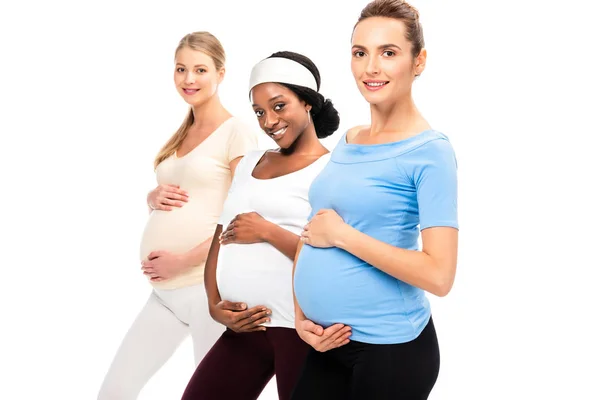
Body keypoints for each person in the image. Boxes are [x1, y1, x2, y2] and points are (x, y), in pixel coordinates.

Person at [291, 1, 459, 399]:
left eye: (389, 52)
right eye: (360, 52)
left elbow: (440, 275)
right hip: (326, 342)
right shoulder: (349, 139)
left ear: (418, 62)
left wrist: (343, 236)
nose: (371, 68)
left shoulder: (430, 152)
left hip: (391, 350)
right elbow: (313, 230)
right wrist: (301, 319)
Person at [97, 31, 258, 400]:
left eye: (200, 69)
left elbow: (245, 215)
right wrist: (151, 197)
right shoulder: (182, 132)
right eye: (181, 69)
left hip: (206, 291)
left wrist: (183, 259)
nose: (189, 79)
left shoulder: (237, 132)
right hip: (165, 294)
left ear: (220, 73)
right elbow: (187, 194)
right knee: (116, 390)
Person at [180, 51, 340, 400]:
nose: (269, 121)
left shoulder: (333, 170)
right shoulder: (249, 162)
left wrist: (268, 231)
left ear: (308, 102)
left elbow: (337, 258)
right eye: (259, 112)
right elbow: (220, 238)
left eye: (279, 106)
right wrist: (214, 304)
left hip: (300, 330)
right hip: (245, 328)